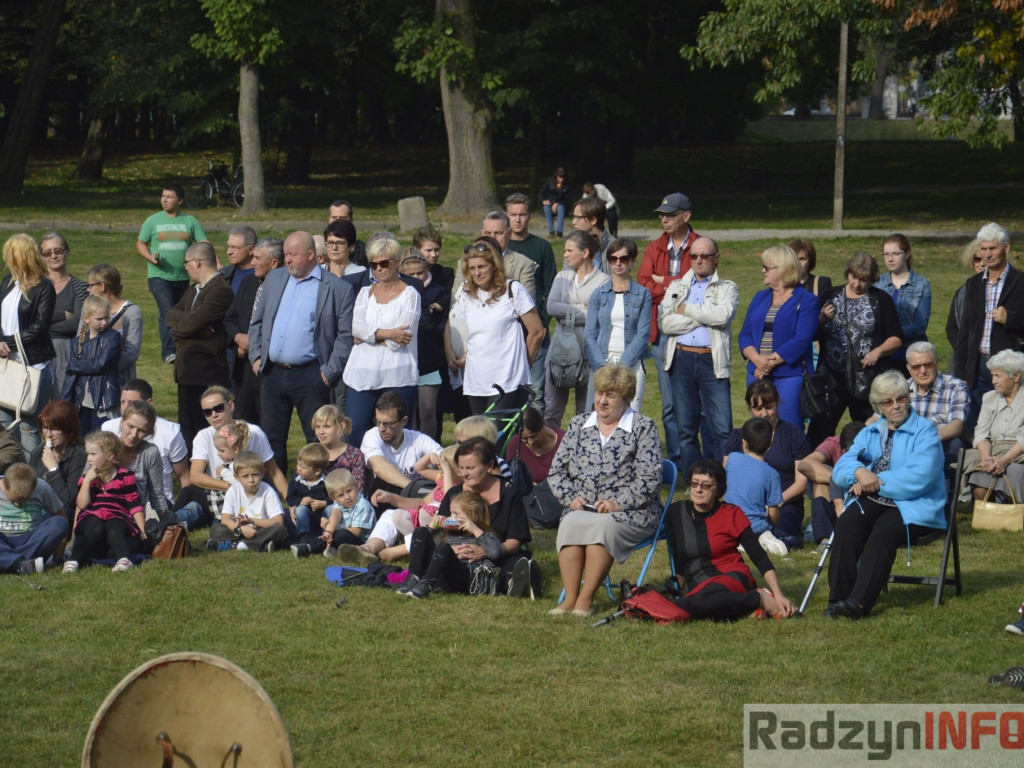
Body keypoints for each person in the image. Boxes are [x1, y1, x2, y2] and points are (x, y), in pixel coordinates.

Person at [826, 370, 947, 619]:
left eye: (900, 398)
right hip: (875, 499)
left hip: (914, 504)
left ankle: (858, 603)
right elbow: (841, 468)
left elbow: (920, 476)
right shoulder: (870, 431)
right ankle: (837, 599)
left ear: (908, 398)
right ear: (878, 406)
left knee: (884, 531)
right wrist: (858, 472)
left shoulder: (925, 431)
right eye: (888, 402)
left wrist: (873, 481)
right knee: (847, 522)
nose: (896, 406)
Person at [548, 363, 662, 617]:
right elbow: (556, 472)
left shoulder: (643, 427)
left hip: (632, 510)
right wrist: (571, 498)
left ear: (626, 399)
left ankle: (585, 600)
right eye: (600, 393)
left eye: (610, 395)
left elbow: (650, 479)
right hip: (584, 506)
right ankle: (569, 599)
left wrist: (617, 503)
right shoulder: (578, 425)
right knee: (570, 523)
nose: (602, 401)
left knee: (603, 527)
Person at [249, 230, 355, 468]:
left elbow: (345, 336)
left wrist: (328, 372)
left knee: (317, 436)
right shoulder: (275, 278)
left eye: (293, 255)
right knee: (271, 438)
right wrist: (256, 357)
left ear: (310, 255)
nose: (287, 260)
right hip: (272, 372)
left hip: (311, 374)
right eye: (286, 254)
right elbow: (257, 321)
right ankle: (275, 487)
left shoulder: (336, 288)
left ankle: (321, 485)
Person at [665, 459, 796, 621]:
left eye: (706, 485)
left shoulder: (731, 513)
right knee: (700, 604)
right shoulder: (676, 512)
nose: (698, 489)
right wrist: (677, 587)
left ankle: (761, 599)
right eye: (694, 483)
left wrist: (779, 594)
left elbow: (759, 556)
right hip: (699, 584)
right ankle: (749, 608)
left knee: (696, 604)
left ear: (718, 489)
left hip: (731, 576)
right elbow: (678, 558)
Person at [404, 437, 535, 598]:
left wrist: (485, 552)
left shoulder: (509, 494)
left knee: (512, 561)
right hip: (451, 556)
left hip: (496, 552)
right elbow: (441, 530)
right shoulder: (454, 493)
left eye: (470, 468)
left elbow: (514, 543)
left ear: (490, 466)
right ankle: (414, 579)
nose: (464, 474)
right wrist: (450, 549)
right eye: (461, 468)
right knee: (423, 535)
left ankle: (513, 583)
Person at [807, 252, 904, 449]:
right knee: (820, 428)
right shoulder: (831, 295)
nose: (857, 284)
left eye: (863, 279)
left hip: (865, 377)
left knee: (868, 428)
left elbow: (897, 338)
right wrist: (821, 319)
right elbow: (810, 334)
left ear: (872, 279)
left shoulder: (880, 299)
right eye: (853, 277)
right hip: (832, 376)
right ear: (847, 273)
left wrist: (877, 351)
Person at [659, 236, 739, 472]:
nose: (699, 260)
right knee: (686, 429)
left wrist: (687, 310)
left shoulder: (728, 288)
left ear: (716, 258)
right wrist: (702, 318)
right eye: (694, 256)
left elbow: (722, 316)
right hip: (681, 358)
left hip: (711, 360)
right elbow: (665, 323)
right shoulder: (677, 287)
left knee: (722, 427)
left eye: (704, 255)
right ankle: (693, 479)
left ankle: (723, 478)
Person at [445, 238, 545, 415]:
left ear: (493, 266)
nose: (477, 273)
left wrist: (524, 366)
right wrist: (450, 351)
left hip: (507, 378)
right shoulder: (466, 293)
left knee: (496, 430)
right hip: (475, 379)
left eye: (481, 267)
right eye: (472, 268)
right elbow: (452, 322)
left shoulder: (513, 289)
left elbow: (537, 332)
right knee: (480, 430)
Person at [638, 192, 700, 466]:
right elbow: (643, 284)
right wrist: (675, 285)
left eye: (671, 215)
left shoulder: (700, 247)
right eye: (662, 215)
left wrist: (662, 281)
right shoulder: (654, 248)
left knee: (696, 401)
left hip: (693, 331)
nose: (664, 219)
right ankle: (677, 461)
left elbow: (698, 286)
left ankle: (697, 458)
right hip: (662, 332)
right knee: (669, 404)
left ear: (686, 216)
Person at [342, 234, 420, 445]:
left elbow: (401, 339)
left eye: (383, 263)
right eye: (373, 264)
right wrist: (387, 334)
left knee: (395, 435)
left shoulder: (410, 294)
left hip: (398, 374)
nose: (378, 268)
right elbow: (356, 329)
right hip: (363, 373)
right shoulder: (365, 292)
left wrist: (369, 337)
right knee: (355, 432)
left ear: (397, 263)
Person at [183, 386, 287, 530]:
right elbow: (195, 476)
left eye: (218, 408)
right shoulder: (203, 436)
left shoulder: (255, 433)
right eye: (207, 412)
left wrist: (292, 503)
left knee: (215, 523)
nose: (214, 415)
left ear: (230, 406)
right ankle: (164, 526)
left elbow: (274, 472)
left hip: (250, 496)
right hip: (217, 493)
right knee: (189, 511)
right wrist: (229, 486)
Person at [738, 244, 819, 428]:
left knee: (788, 427)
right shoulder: (760, 297)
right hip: (757, 373)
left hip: (789, 375)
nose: (762, 271)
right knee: (759, 427)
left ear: (782, 269)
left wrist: (768, 363)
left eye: (766, 267)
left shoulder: (807, 300)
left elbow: (802, 339)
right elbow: (745, 334)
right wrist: (757, 361)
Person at [952, 223, 1024, 427]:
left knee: (1009, 424)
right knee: (978, 423)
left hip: (1009, 366)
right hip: (978, 365)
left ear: (1006, 248)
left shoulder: (1020, 282)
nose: (987, 254)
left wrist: (1010, 318)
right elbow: (965, 330)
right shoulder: (973, 283)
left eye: (993, 248)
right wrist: (960, 371)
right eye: (983, 249)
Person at [723, 381, 810, 549]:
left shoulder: (794, 435)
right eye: (757, 409)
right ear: (749, 408)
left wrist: (777, 502)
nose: (764, 414)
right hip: (745, 504)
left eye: (769, 407)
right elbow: (726, 476)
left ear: (777, 403)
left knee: (780, 529)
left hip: (784, 504)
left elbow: (802, 482)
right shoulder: (737, 436)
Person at [165, 241, 234, 450]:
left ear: (196, 262)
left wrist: (188, 326)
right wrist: (193, 323)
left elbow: (188, 325)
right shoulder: (193, 290)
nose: (185, 268)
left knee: (208, 429)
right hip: (187, 371)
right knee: (188, 429)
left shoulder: (220, 290)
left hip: (206, 373)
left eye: (186, 263)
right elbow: (171, 315)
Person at [345, 445, 458, 564]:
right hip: (425, 520)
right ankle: (367, 549)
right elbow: (422, 499)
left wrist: (447, 473)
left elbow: (449, 501)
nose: (441, 471)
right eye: (440, 467)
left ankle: (393, 553)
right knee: (392, 514)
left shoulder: (461, 488)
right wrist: (391, 497)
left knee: (427, 526)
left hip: (441, 528)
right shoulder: (442, 480)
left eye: (445, 468)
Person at [136, 183, 207, 364]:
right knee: (167, 310)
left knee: (181, 312)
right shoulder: (153, 220)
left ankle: (181, 346)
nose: (164, 200)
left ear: (180, 200)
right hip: (158, 276)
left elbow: (204, 244)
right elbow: (141, 243)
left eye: (169, 197)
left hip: (183, 277)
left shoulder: (190, 221)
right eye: (163, 196)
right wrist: (150, 257)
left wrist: (216, 264)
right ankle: (169, 352)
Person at [546, 230, 610, 426]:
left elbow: (599, 315)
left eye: (569, 250)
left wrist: (567, 311)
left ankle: (583, 444)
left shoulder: (603, 280)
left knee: (586, 410)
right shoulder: (562, 277)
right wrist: (584, 308)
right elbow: (551, 307)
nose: (565, 255)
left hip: (588, 350)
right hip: (560, 348)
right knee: (552, 408)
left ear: (585, 252)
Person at [0, 234, 56, 454]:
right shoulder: (8, 282)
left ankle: (31, 470)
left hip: (33, 364)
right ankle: (9, 469)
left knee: (28, 426)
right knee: (4, 423)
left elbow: (39, 326)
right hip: (6, 363)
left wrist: (8, 343)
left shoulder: (44, 287)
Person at [584, 238, 652, 412]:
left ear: (633, 261)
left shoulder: (643, 294)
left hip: (632, 364)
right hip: (602, 362)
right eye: (614, 259)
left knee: (630, 416)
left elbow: (643, 335)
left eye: (624, 259)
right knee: (597, 414)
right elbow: (590, 334)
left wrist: (621, 367)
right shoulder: (598, 294)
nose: (619, 263)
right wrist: (601, 367)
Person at [63, 431, 146, 573]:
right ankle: (75, 560)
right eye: (88, 454)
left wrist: (143, 532)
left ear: (110, 456)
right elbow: (81, 505)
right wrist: (87, 481)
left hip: (118, 515)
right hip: (92, 515)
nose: (89, 459)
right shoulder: (86, 477)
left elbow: (134, 506)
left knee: (114, 526)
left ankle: (124, 559)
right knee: (96, 526)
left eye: (93, 454)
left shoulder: (125, 476)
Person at [102, 380, 189, 509]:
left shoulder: (170, 433)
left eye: (132, 403)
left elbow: (184, 476)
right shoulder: (108, 428)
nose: (125, 407)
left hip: (156, 500)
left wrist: (179, 510)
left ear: (149, 403)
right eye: (122, 402)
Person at [398, 490, 502, 599]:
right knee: (421, 532)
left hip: (460, 579)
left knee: (444, 548)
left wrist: (474, 529)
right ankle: (413, 579)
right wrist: (432, 527)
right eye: (451, 513)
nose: (451, 517)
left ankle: (426, 585)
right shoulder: (444, 534)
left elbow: (495, 552)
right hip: (438, 574)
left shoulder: (482, 535)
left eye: (456, 514)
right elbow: (423, 548)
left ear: (473, 517)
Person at [506, 191, 558, 400]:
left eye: (522, 214)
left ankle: (533, 423)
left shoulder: (542, 247)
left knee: (534, 391)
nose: (517, 219)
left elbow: (551, 287)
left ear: (530, 216)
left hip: (534, 326)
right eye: (513, 214)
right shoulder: (500, 247)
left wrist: (542, 321)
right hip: (505, 325)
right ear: (506, 216)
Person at [224, 237, 283, 423]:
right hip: (244, 367)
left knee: (268, 424)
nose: (253, 262)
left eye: (257, 258)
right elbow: (230, 318)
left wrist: (254, 343)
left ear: (274, 263)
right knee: (243, 422)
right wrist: (239, 339)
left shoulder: (285, 289)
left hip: (268, 367)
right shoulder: (248, 283)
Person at [962, 350, 1024, 503]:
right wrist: (986, 459)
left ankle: (1015, 511)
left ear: (1016, 376)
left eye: (998, 376)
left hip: (1019, 453)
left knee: (1015, 472)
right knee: (980, 476)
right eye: (992, 375)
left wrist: (1004, 460)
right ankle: (989, 513)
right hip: (993, 451)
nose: (993, 381)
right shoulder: (989, 398)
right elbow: (981, 434)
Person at [399, 254, 449, 439]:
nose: (416, 277)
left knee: (428, 408)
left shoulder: (439, 292)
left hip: (430, 357)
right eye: (411, 274)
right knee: (409, 410)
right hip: (405, 358)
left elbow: (446, 322)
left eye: (420, 273)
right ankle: (411, 449)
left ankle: (429, 446)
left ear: (427, 271)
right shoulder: (398, 294)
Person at [360, 392, 442, 501]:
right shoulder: (372, 435)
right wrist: (414, 488)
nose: (381, 428)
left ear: (404, 421)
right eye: (378, 422)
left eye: (387, 424)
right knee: (383, 481)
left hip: (412, 499)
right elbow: (380, 467)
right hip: (382, 498)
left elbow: (447, 459)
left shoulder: (419, 439)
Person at [723, 418, 787, 556]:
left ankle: (740, 542)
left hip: (728, 523)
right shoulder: (772, 474)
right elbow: (773, 512)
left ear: (744, 443)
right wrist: (774, 526)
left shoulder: (732, 458)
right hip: (756, 527)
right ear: (770, 443)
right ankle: (761, 538)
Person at [798, 421, 865, 547]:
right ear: (842, 449)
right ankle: (824, 536)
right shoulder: (833, 444)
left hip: (860, 501)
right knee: (820, 475)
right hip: (834, 498)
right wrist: (841, 479)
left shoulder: (875, 450)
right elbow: (805, 465)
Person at [206, 450, 288, 553]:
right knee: (216, 530)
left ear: (263, 473)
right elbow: (225, 519)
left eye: (255, 475)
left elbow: (278, 521)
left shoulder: (268, 491)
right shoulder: (233, 490)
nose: (251, 480)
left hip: (260, 529)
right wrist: (241, 529)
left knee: (280, 530)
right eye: (245, 476)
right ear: (236, 477)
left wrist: (251, 521)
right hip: (239, 530)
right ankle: (259, 545)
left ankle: (238, 545)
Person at [61, 295, 120, 435]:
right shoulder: (76, 342)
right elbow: (71, 377)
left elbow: (99, 364)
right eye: (99, 319)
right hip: (81, 402)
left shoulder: (113, 337)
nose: (104, 322)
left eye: (106, 317)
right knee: (81, 441)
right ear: (86, 318)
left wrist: (73, 365)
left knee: (102, 441)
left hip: (104, 400)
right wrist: (66, 402)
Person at [40, 232, 88, 398]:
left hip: (65, 352)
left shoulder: (80, 287)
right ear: (42, 257)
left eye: (58, 251)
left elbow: (76, 324)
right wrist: (62, 314)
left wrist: (41, 323)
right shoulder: (34, 286)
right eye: (47, 253)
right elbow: (26, 321)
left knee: (61, 403)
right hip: (36, 351)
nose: (53, 256)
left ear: (67, 251)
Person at [902, 341, 968, 458]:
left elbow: (957, 425)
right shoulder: (901, 388)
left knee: (955, 443)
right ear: (909, 368)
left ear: (936, 362)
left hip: (940, 442)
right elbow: (878, 418)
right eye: (916, 367)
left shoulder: (955, 386)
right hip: (906, 443)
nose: (923, 371)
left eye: (928, 364)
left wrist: (929, 440)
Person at [0, 463, 67, 575]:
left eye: (23, 500)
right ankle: (19, 564)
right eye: (14, 500)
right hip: (3, 541)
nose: (17, 504)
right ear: (5, 485)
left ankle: (9, 562)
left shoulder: (42, 487)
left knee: (59, 523)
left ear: (34, 486)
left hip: (32, 541)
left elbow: (61, 515)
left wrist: (58, 557)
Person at [293, 468, 375, 558]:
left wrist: (333, 531)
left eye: (349, 491)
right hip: (342, 533)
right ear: (333, 498)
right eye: (341, 495)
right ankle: (331, 548)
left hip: (361, 542)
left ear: (356, 485)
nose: (347, 497)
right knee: (331, 530)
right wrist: (329, 531)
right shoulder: (339, 503)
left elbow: (356, 532)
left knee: (343, 534)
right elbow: (335, 514)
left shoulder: (363, 506)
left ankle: (309, 548)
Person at [875, 233, 931, 363]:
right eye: (886, 254)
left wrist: (893, 338)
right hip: (883, 354)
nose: (890, 259)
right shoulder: (877, 283)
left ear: (907, 254)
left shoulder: (922, 284)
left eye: (895, 254)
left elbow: (920, 325)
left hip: (911, 353)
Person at [84, 264, 143, 387]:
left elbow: (131, 352)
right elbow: (80, 339)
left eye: (90, 285)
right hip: (89, 381)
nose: (88, 290)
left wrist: (104, 370)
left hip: (118, 382)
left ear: (102, 286)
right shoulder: (88, 308)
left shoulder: (131, 312)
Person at [30, 400, 84, 517]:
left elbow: (69, 501)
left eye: (54, 429)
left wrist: (53, 470)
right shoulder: (38, 452)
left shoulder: (79, 455)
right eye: (45, 428)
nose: (49, 435)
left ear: (68, 429)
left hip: (62, 514)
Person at [116, 400, 168, 518]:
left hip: (135, 517)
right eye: (130, 426)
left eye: (141, 430)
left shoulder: (150, 453)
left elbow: (157, 494)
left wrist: (167, 522)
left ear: (148, 432)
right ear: (122, 421)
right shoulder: (106, 446)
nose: (134, 434)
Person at [945, 238, 984, 376]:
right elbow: (951, 328)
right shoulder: (963, 292)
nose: (982, 264)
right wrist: (965, 351)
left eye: (985, 258)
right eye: (977, 259)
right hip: (965, 359)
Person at [479, 212, 537, 303]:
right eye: (487, 233)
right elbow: (457, 302)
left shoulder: (524, 264)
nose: (492, 238)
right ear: (482, 233)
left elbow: (528, 303)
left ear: (509, 233)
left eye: (498, 233)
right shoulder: (467, 262)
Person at [311, 404, 367, 494]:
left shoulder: (354, 456)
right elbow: (298, 483)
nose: (321, 432)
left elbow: (358, 491)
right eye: (317, 427)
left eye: (327, 426)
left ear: (341, 426)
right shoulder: (311, 453)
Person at [503, 407, 564, 485]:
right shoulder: (515, 443)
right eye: (524, 438)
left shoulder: (565, 441)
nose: (530, 442)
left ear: (543, 424)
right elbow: (510, 476)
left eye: (533, 436)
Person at [287, 443, 330, 535]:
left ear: (317, 471)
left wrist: (323, 503)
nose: (298, 468)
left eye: (303, 467)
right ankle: (304, 535)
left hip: (322, 515)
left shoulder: (327, 482)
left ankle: (328, 533)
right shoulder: (295, 480)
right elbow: (290, 498)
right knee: (300, 510)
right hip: (305, 516)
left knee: (331, 509)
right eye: (298, 464)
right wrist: (300, 501)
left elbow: (335, 499)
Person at [570, 196, 613, 273]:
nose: (573, 222)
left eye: (578, 217)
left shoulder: (614, 247)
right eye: (573, 217)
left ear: (593, 220)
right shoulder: (573, 244)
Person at [327, 199, 367, 265]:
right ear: (328, 219)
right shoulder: (319, 247)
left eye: (342, 218)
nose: (338, 222)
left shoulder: (364, 251)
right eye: (334, 218)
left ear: (351, 220)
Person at [219, 225, 257, 293]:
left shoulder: (263, 276)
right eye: (228, 247)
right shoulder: (224, 274)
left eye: (235, 247)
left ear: (251, 249)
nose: (229, 252)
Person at [539, 167, 571, 237]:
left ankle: (559, 231)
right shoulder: (550, 182)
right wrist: (543, 201)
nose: (561, 180)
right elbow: (541, 193)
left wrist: (557, 203)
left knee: (561, 207)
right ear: (556, 176)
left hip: (561, 205)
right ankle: (551, 231)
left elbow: (567, 199)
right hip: (549, 204)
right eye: (559, 177)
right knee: (546, 208)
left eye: (563, 177)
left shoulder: (567, 185)